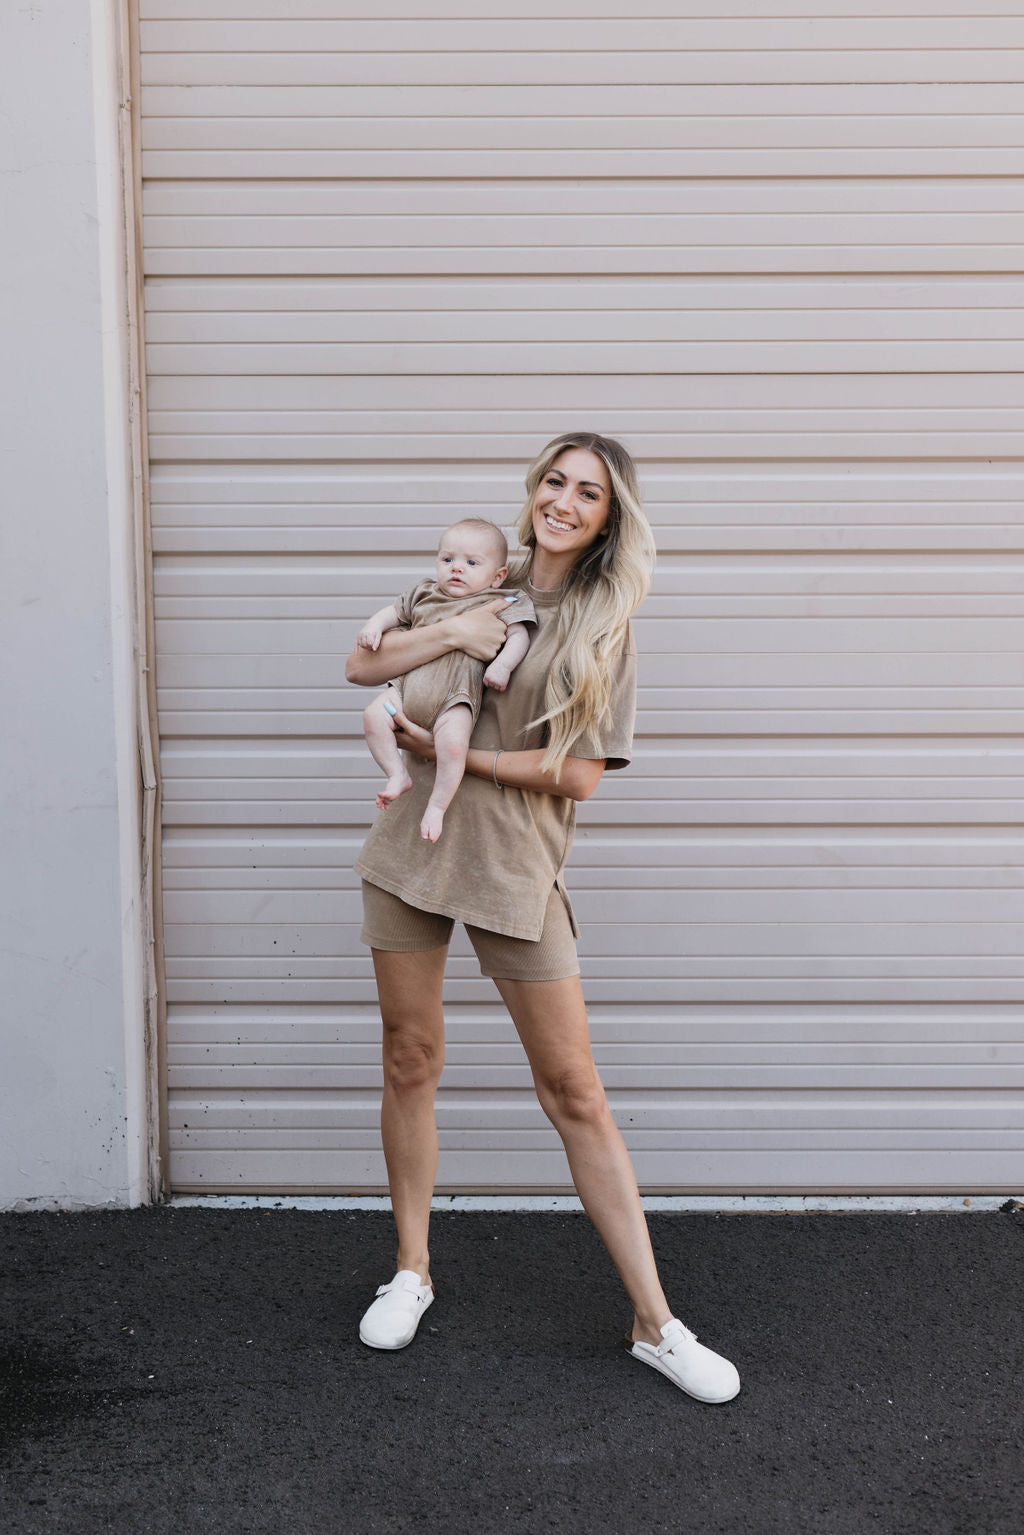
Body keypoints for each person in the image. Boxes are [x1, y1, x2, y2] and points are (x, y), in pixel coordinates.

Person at [345, 432, 740, 1403]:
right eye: (554, 480)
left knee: (573, 1090)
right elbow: (364, 665)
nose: (564, 500)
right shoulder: (475, 571)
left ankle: (655, 1321)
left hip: (513, 867)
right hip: (410, 856)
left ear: (610, 518)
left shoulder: (604, 619)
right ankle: (411, 1269)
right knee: (409, 1055)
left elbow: (577, 776)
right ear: (534, 489)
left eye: (588, 492)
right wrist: (451, 635)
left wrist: (465, 761)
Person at [358, 518, 535, 842]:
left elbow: (519, 635)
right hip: (404, 691)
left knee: (454, 748)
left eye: (471, 563)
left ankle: (437, 806)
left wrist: (503, 666)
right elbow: (393, 613)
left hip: (456, 698)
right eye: (448, 559)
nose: (457, 568)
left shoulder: (499, 601)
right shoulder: (425, 593)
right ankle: (397, 774)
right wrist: (374, 626)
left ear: (497, 577)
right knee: (372, 716)